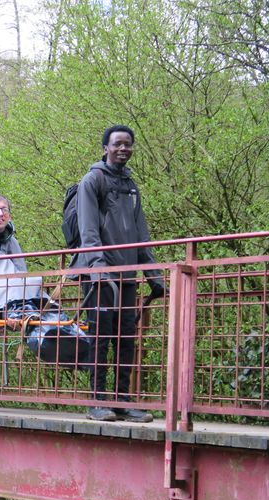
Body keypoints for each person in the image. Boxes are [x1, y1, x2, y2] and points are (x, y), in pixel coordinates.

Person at [73, 125, 165, 423]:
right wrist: (98, 268)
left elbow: (141, 235)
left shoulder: (132, 187)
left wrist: (154, 275)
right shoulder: (92, 180)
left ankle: (122, 401)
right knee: (100, 337)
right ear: (106, 148)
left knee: (126, 338)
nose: (123, 149)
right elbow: (88, 229)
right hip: (100, 276)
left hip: (126, 277)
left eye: (128, 144)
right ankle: (98, 402)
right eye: (117, 144)